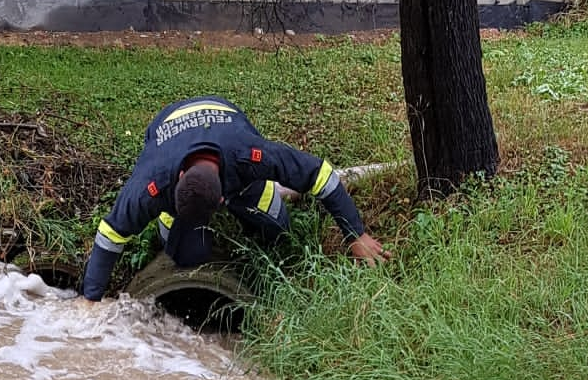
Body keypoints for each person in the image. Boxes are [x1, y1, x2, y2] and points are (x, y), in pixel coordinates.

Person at [78, 95, 388, 302]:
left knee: (276, 228)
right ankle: (170, 217)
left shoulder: (250, 155)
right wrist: (90, 301)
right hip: (170, 125)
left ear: (221, 198)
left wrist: (355, 233)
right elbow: (110, 233)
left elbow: (320, 174)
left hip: (227, 126)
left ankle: (270, 193)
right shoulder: (151, 183)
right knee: (185, 254)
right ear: (178, 182)